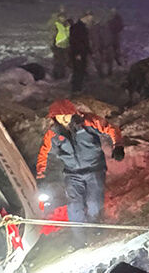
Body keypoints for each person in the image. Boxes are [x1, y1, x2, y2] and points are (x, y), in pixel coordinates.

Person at [35, 100, 124, 246]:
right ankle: (79, 241)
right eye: (59, 116)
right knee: (74, 207)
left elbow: (111, 129)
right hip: (72, 174)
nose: (63, 118)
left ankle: (95, 224)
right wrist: (41, 175)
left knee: (93, 203)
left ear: (72, 113)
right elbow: (43, 154)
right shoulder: (53, 134)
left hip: (94, 169)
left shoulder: (88, 122)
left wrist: (118, 145)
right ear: (54, 117)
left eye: (66, 115)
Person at [69, 12, 93, 93]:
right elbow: (74, 42)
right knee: (78, 71)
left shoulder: (82, 27)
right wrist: (77, 53)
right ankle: (76, 89)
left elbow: (85, 42)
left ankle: (78, 89)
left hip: (82, 53)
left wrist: (90, 52)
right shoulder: (77, 27)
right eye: (90, 18)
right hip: (78, 54)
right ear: (86, 17)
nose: (91, 20)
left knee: (81, 71)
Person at [49, 8, 72, 80]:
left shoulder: (68, 25)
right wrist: (52, 44)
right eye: (61, 17)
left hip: (66, 46)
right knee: (58, 61)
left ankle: (62, 75)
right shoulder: (56, 24)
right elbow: (52, 35)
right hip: (58, 46)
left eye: (64, 17)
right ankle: (56, 75)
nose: (63, 18)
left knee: (65, 61)